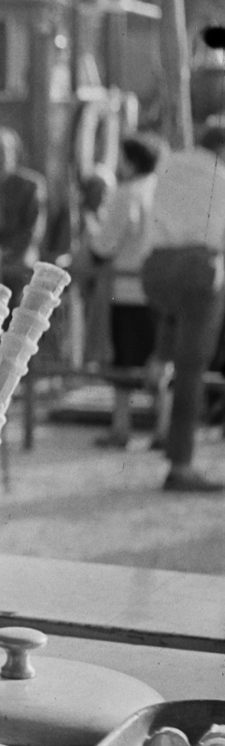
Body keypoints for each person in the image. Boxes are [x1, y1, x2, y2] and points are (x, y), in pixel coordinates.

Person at [141, 116, 225, 492]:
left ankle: (157, 362)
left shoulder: (169, 165)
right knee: (193, 369)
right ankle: (181, 464)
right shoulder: (220, 176)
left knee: (175, 319)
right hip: (198, 268)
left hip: (156, 267)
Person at [85, 135, 161, 450]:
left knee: (124, 360)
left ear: (130, 160)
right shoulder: (160, 190)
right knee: (158, 357)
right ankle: (163, 426)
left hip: (127, 289)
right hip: (157, 287)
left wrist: (91, 231)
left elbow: (105, 245)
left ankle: (121, 427)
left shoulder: (125, 194)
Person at [0, 127, 47, 304]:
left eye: (2, 150)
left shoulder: (30, 185)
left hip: (18, 258)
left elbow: (33, 229)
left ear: (14, 153)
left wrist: (5, 253)